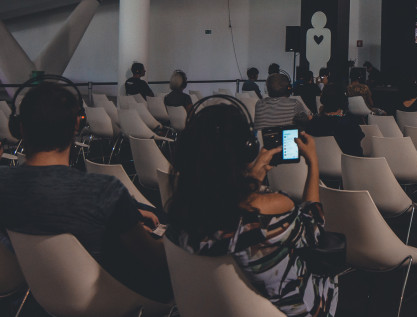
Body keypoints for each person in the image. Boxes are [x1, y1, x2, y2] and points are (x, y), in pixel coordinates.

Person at [0, 83, 171, 302]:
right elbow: (154, 259)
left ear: (19, 128)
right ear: (76, 126)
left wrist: (127, 218)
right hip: (106, 299)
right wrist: (175, 238)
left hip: (35, 290)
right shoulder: (103, 190)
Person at [166, 104, 338, 316]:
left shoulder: (179, 216)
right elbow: (316, 229)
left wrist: (250, 181)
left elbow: (225, 202)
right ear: (248, 148)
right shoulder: (271, 209)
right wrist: (313, 163)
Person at [304, 84, 364, 157]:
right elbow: (358, 145)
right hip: (349, 162)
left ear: (323, 99)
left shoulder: (313, 123)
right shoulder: (350, 122)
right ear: (343, 99)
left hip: (320, 162)